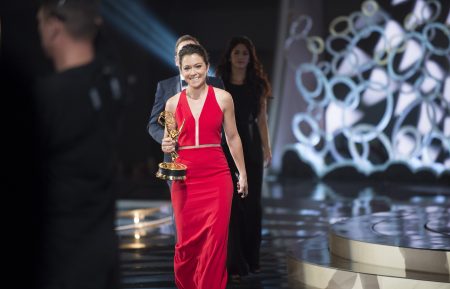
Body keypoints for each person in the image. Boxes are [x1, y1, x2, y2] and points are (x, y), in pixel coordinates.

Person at [34, 1, 125, 288]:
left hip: (59, 256)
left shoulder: (48, 98)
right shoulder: (112, 86)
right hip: (103, 251)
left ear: (53, 29)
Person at [161, 43, 248, 289]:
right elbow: (170, 143)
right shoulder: (171, 104)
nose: (193, 72)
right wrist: (167, 145)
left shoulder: (224, 98)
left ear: (207, 67)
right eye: (187, 68)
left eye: (198, 66)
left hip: (217, 177)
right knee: (186, 244)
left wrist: (242, 174)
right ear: (181, 71)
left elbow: (233, 138)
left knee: (215, 243)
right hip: (185, 179)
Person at [216, 36, 272, 280]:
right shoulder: (220, 85)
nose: (241, 57)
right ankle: (235, 262)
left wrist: (267, 148)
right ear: (230, 56)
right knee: (232, 205)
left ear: (251, 58)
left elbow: (262, 120)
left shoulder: (257, 85)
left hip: (251, 147)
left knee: (252, 206)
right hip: (226, 146)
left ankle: (252, 259)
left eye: (245, 53)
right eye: (237, 52)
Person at [148, 34, 224, 155]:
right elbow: (153, 124)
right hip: (176, 157)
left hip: (210, 155)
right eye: (183, 52)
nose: (189, 55)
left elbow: (227, 124)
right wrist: (168, 139)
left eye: (193, 50)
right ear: (177, 61)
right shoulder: (164, 86)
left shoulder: (217, 84)